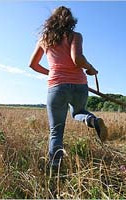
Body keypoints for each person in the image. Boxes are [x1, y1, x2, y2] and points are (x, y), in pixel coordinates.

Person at [29, 6, 108, 168]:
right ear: (71, 21)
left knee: (56, 131)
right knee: (78, 112)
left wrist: (52, 72)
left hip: (56, 86)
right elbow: (77, 59)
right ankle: (91, 120)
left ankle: (55, 168)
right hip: (79, 84)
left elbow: (33, 65)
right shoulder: (75, 36)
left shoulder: (44, 39)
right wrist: (90, 68)